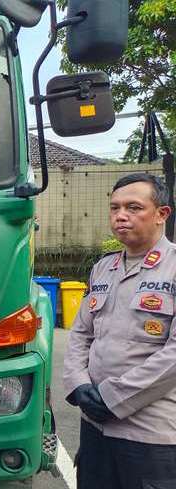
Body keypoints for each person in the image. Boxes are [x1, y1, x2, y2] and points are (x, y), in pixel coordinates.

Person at [64, 173, 176, 488]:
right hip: (95, 426)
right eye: (115, 208)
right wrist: (78, 385)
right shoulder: (103, 268)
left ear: (161, 214)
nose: (121, 216)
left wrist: (112, 398)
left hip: (149, 433)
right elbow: (81, 335)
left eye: (133, 207)